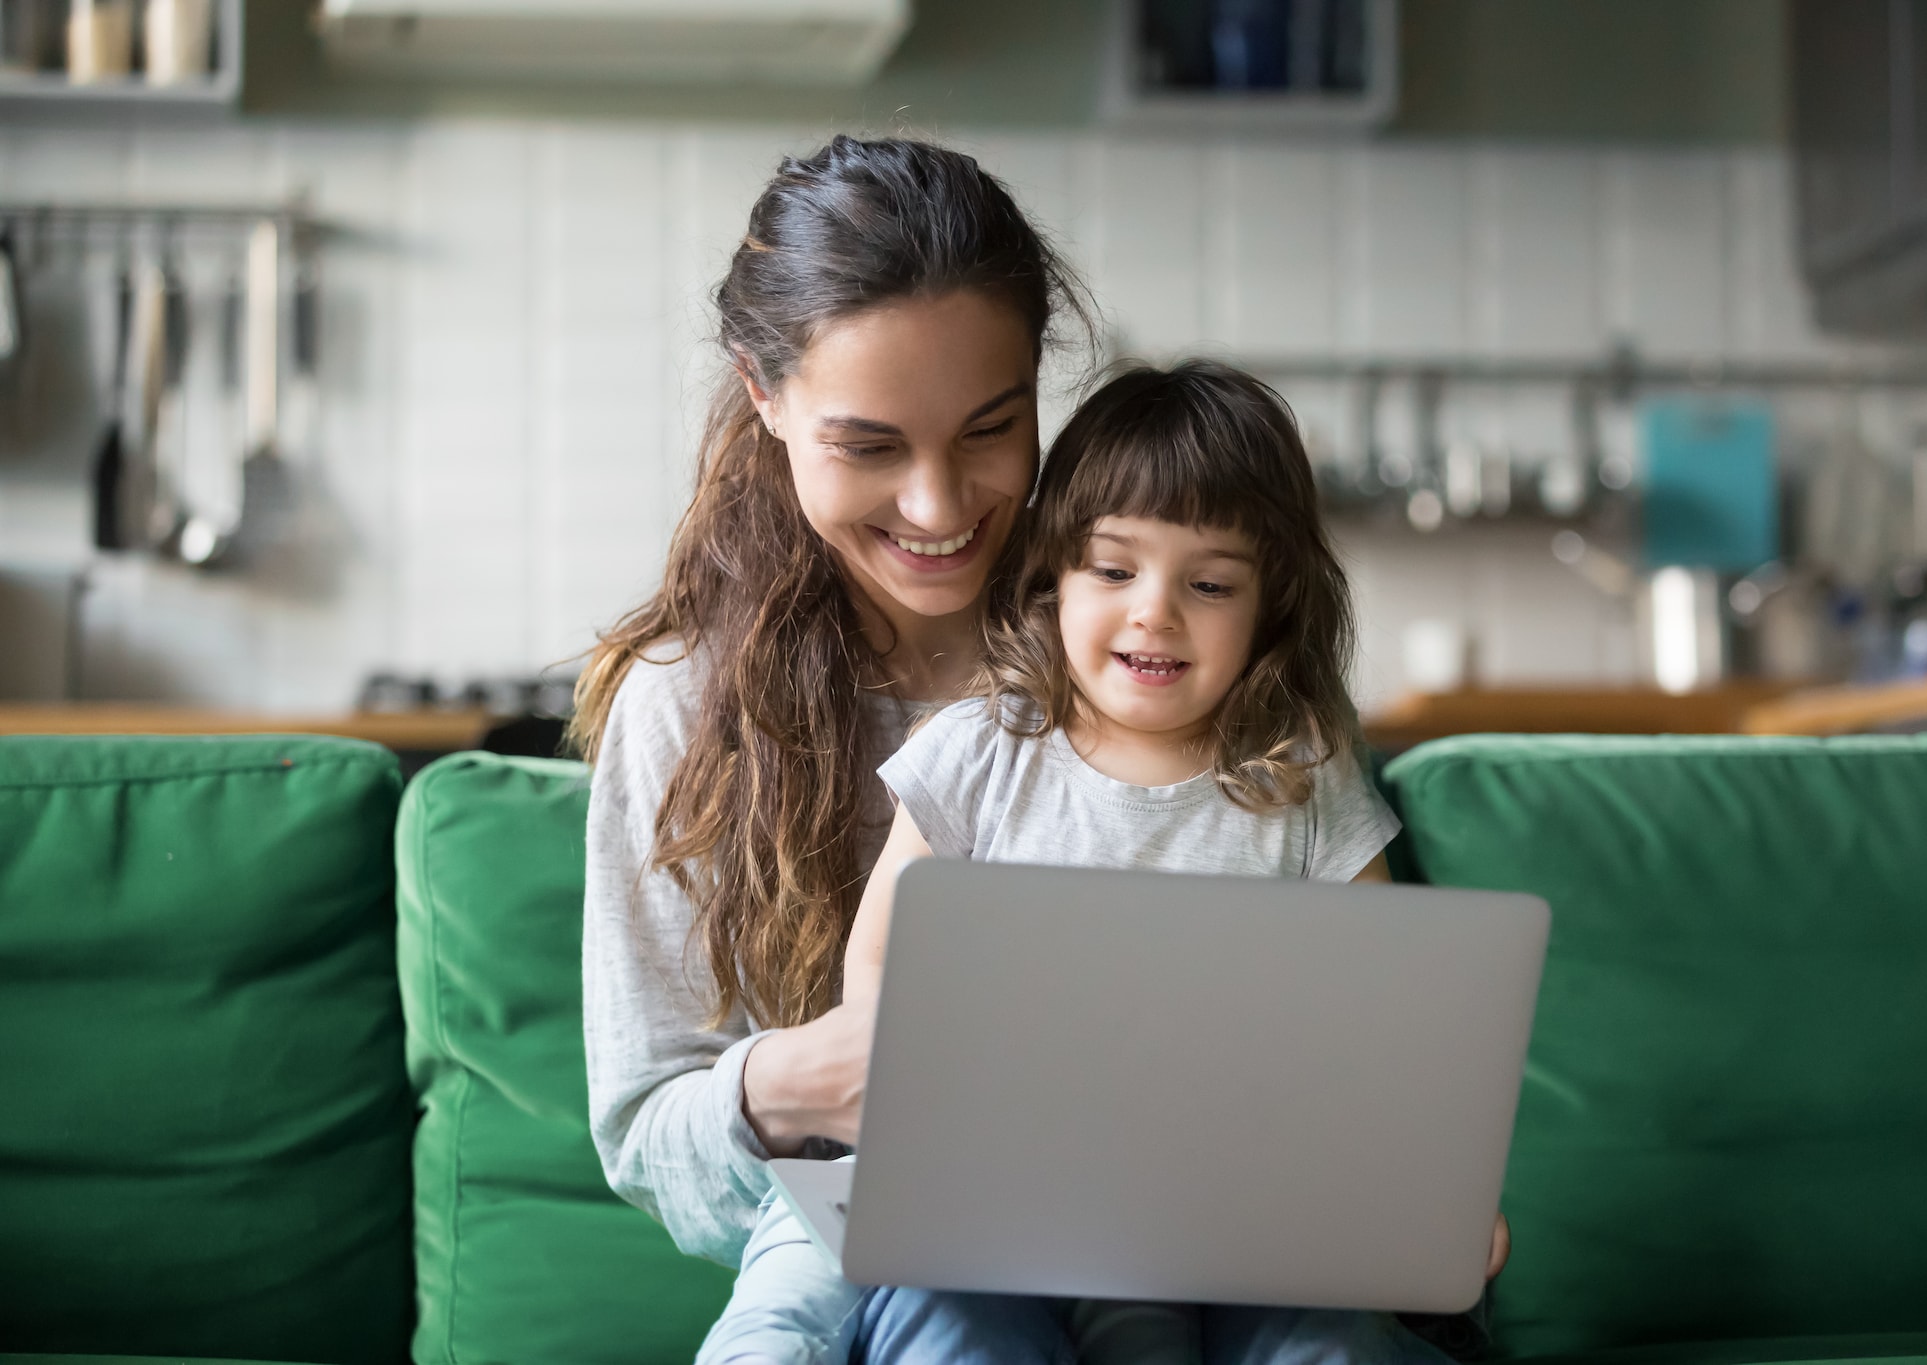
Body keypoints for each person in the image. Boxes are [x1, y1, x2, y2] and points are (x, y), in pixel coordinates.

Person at [579, 135, 1501, 1365]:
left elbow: (1354, 1005)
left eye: (988, 428)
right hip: (921, 1265)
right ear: (764, 397)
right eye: (867, 445)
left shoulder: (1153, 639)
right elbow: (646, 1133)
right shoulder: (683, 702)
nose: (938, 506)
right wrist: (800, 1083)